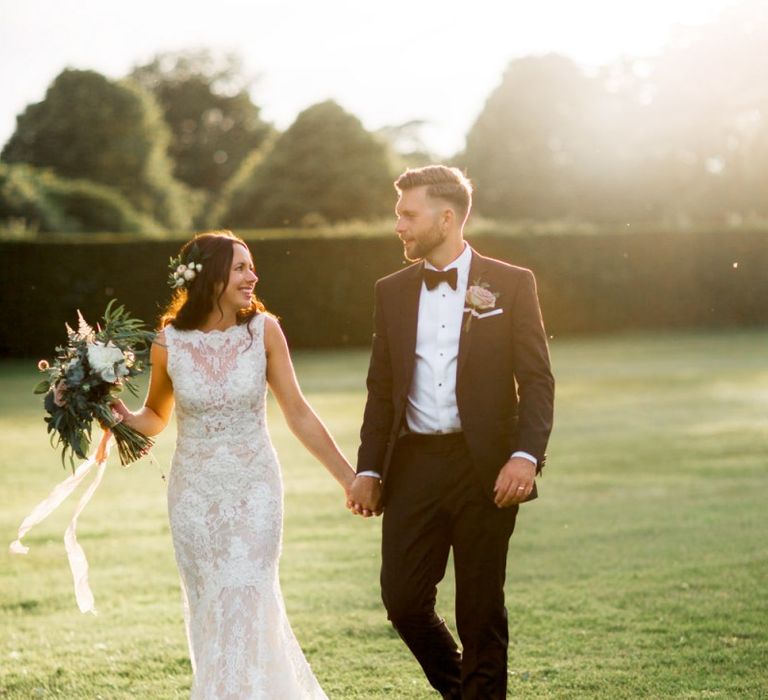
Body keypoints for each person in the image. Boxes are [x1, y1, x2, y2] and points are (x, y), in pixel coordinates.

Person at [113, 230, 354, 699]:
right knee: (211, 608)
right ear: (210, 275)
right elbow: (156, 417)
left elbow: (298, 412)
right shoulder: (168, 341)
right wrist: (109, 408)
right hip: (194, 496)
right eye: (241, 267)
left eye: (251, 266)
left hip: (254, 489)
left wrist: (349, 477)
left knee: (247, 592)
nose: (253, 276)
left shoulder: (263, 331)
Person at [348, 165, 555, 699]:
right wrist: (369, 467)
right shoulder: (390, 291)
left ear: (446, 217)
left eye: (407, 214)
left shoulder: (512, 283)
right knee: (405, 602)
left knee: (481, 610)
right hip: (413, 465)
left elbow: (536, 380)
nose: (398, 225)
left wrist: (525, 456)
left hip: (484, 467)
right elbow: (382, 388)